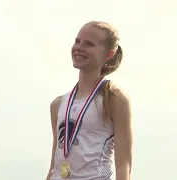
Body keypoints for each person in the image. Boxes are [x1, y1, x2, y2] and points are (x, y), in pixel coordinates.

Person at [46, 21, 132, 180]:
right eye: (77, 41)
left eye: (89, 44)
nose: (79, 47)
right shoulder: (58, 104)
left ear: (109, 54)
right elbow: (54, 166)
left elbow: (123, 166)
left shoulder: (114, 99)